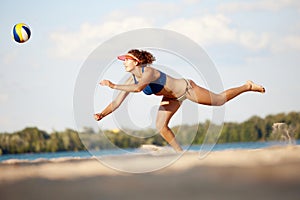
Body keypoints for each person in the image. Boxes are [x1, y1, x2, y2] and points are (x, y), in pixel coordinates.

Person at [94, 49, 265, 152]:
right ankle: (179, 153)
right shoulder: (131, 79)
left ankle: (247, 86)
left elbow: (139, 89)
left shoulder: (149, 72)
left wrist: (113, 85)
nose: (124, 62)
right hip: (170, 98)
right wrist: (102, 114)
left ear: (136, 61)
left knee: (219, 100)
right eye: (124, 60)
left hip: (186, 89)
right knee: (160, 126)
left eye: (127, 60)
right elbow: (117, 103)